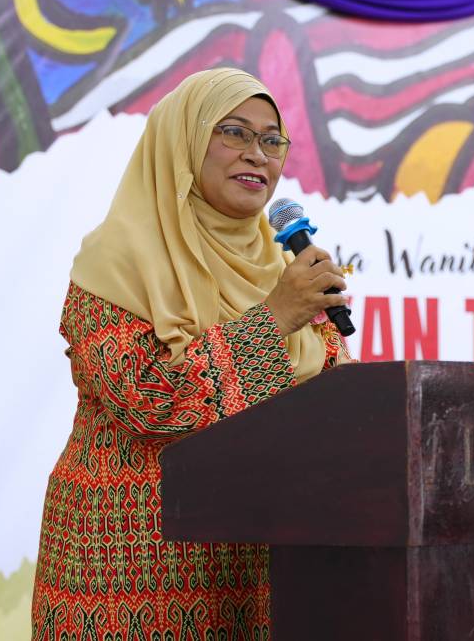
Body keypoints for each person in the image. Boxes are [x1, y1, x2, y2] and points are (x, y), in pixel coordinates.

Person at [31, 68, 352, 639]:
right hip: (127, 573)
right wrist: (275, 319)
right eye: (234, 132)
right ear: (183, 141)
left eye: (271, 139)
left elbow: (334, 401)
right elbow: (151, 402)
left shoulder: (285, 271)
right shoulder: (115, 262)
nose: (257, 154)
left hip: (259, 568)